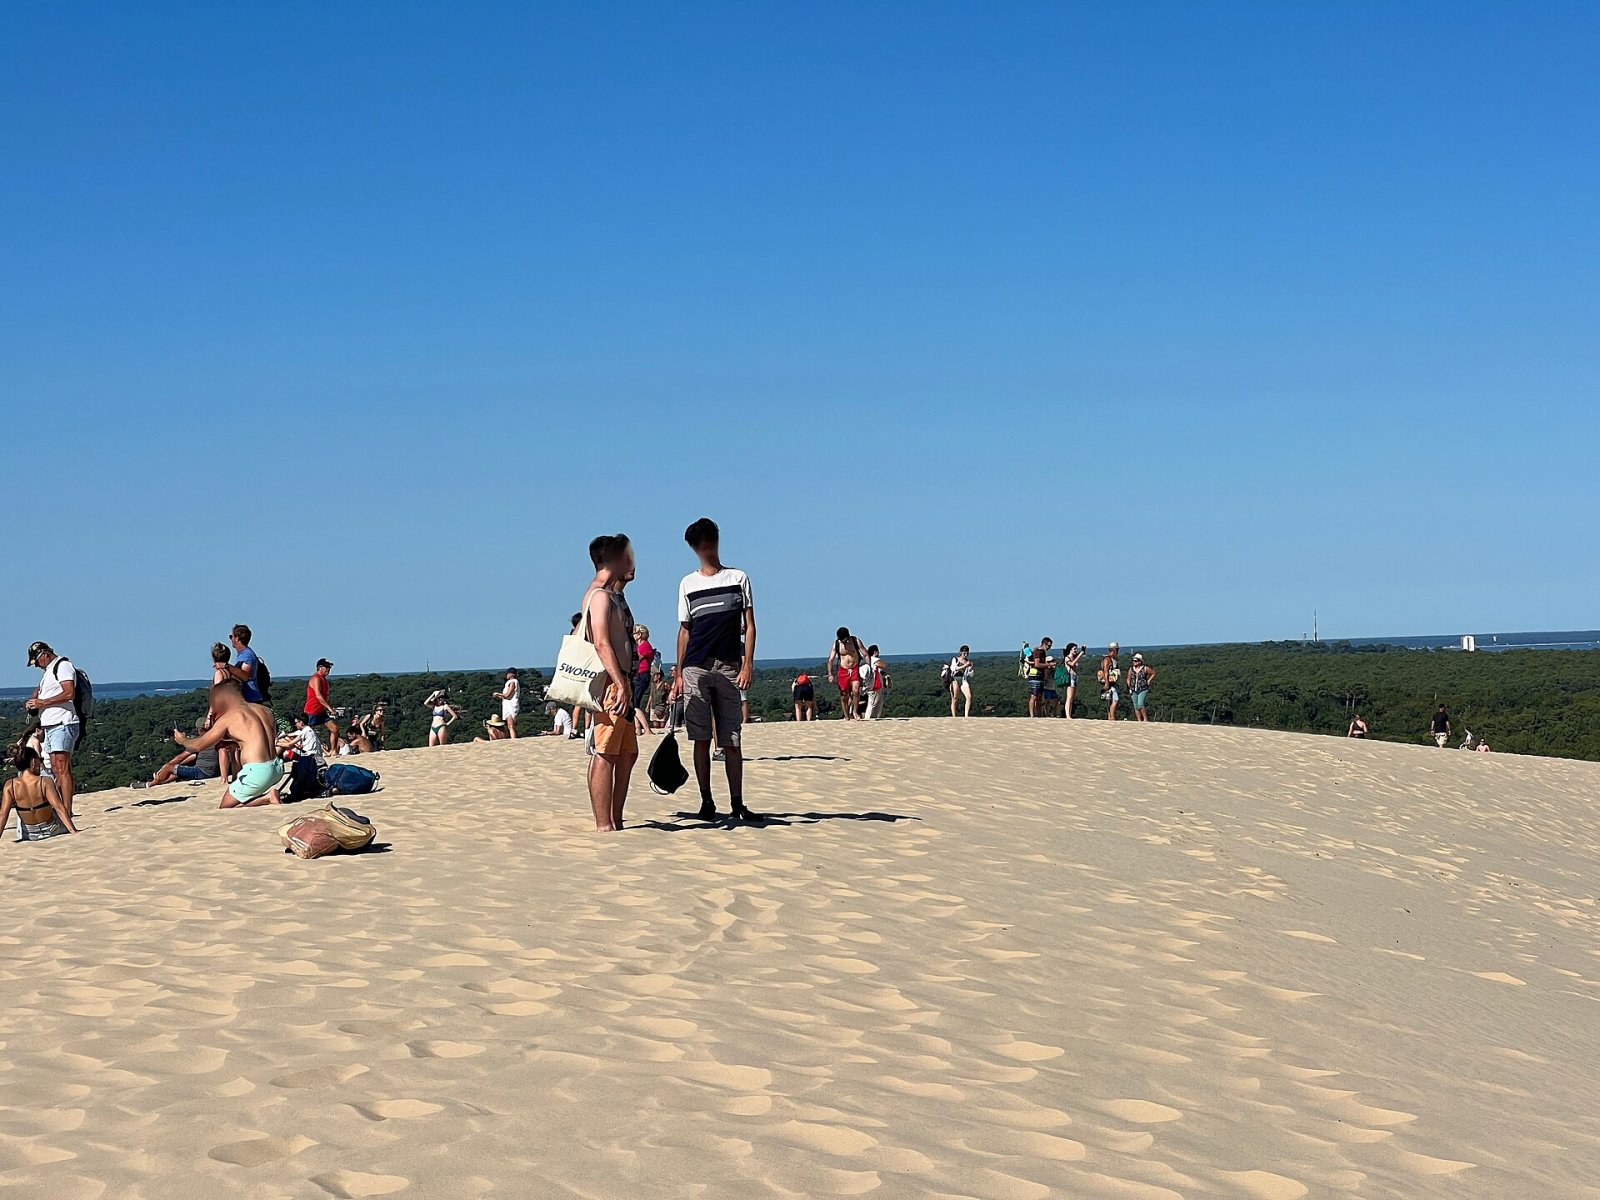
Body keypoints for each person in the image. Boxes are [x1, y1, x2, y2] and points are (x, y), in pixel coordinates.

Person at [670, 517, 759, 822]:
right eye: (699, 544)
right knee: (700, 737)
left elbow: (750, 626)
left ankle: (737, 803)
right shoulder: (687, 583)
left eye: (709, 542)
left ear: (717, 540)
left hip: (729, 666)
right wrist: (678, 673)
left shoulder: (738, 578)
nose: (705, 548)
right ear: (694, 548)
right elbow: (684, 631)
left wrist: (747, 664)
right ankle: (706, 801)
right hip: (696, 665)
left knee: (732, 739)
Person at [582, 533, 641, 832]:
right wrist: (620, 683)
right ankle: (604, 823)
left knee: (628, 752)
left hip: (621, 684)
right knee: (605, 751)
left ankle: (615, 818)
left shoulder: (613, 594)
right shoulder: (599, 596)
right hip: (610, 686)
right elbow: (602, 643)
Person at [175, 678, 283, 808]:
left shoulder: (230, 717)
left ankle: (267, 798)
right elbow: (255, 736)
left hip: (257, 771)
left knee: (225, 807)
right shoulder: (265, 710)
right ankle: (266, 796)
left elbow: (198, 745)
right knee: (243, 795)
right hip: (276, 766)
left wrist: (182, 740)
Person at [24, 642, 80, 820]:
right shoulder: (49, 672)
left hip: (63, 722)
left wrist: (43, 702)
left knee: (62, 768)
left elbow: (69, 693)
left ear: (45, 654)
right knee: (55, 767)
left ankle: (67, 810)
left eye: (37, 661)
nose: (37, 666)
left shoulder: (62, 666)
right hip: (51, 724)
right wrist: (35, 703)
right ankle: (61, 808)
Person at [2, 746, 78, 840]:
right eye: (39, 760)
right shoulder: (44, 781)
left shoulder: (10, 785)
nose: (40, 763)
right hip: (51, 829)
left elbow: (3, 815)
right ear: (33, 762)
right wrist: (73, 831)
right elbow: (59, 808)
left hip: (29, 834)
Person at [134, 721, 223, 788]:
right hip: (213, 772)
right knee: (177, 771)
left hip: (202, 772)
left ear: (199, 729)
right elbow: (193, 756)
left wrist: (166, 767)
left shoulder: (200, 742)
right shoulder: (215, 739)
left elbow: (181, 757)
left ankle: (150, 784)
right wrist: (178, 766)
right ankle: (160, 782)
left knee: (169, 767)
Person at [827, 628, 868, 721]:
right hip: (843, 670)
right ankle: (846, 715)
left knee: (856, 690)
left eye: (845, 640)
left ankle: (855, 711)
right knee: (844, 695)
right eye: (842, 641)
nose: (844, 643)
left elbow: (865, 654)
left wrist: (869, 666)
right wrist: (830, 674)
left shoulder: (855, 641)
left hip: (854, 668)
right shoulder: (837, 644)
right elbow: (830, 660)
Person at [304, 659, 339, 754]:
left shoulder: (325, 680)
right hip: (312, 711)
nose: (328, 669)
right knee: (307, 733)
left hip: (321, 711)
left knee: (334, 728)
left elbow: (324, 697)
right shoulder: (315, 678)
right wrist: (329, 708)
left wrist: (329, 707)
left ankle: (333, 750)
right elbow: (318, 695)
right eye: (326, 667)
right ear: (320, 668)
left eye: (329, 667)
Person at [226, 624, 266, 705]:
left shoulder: (247, 655)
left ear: (237, 638)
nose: (231, 639)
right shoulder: (244, 654)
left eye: (231, 636)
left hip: (250, 699)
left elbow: (245, 675)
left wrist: (226, 666)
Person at [1026, 638, 1053, 718]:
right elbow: (1037, 664)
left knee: (1039, 697)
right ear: (1044, 644)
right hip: (1035, 676)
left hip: (1041, 676)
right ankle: (1032, 715)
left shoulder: (1043, 652)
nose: (1049, 648)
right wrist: (1049, 665)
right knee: (1034, 696)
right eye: (1049, 645)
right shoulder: (1038, 652)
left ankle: (1039, 715)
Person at [1127, 653, 1157, 721]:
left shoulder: (1145, 668)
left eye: (1136, 661)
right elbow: (1128, 678)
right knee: (1136, 706)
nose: (1134, 662)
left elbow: (1153, 673)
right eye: (1133, 661)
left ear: (1140, 661)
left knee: (1140, 704)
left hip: (1142, 689)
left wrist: (1149, 680)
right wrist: (1129, 685)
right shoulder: (1131, 669)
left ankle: (1145, 719)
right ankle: (1139, 720)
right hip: (1133, 689)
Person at [494, 668, 522, 739]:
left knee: (510, 725)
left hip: (511, 705)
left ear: (512, 674)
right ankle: (515, 737)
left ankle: (513, 739)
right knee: (510, 724)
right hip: (508, 704)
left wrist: (498, 694)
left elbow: (508, 695)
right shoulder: (510, 682)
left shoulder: (512, 682)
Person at [1098, 642, 1122, 721]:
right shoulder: (1108, 659)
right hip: (1110, 683)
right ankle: (1112, 717)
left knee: (1110, 700)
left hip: (1112, 683)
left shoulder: (1111, 659)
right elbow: (1106, 671)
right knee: (1115, 700)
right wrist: (1107, 683)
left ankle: (1110, 717)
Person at [949, 647, 974, 717]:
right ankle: (954, 716)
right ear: (960, 652)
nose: (965, 655)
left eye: (967, 653)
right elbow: (954, 668)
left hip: (963, 680)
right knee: (955, 698)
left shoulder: (967, 661)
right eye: (964, 653)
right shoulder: (955, 659)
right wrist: (964, 666)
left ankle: (966, 715)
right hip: (955, 679)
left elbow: (971, 674)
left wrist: (971, 668)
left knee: (969, 696)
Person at [863, 645, 887, 720]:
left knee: (878, 704)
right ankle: (868, 719)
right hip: (874, 686)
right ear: (875, 652)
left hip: (874, 686)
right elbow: (883, 665)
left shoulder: (869, 660)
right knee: (872, 704)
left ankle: (875, 718)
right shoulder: (873, 659)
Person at [1063, 643, 1084, 719]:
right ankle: (1067, 715)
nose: (1076, 650)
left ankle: (1069, 714)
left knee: (1072, 698)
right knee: (1069, 697)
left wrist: (1082, 651)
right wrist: (1080, 655)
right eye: (1074, 649)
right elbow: (1072, 664)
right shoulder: (1067, 658)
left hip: (1075, 677)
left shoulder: (1073, 657)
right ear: (1070, 650)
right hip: (1070, 677)